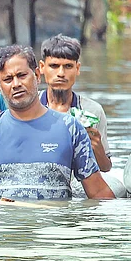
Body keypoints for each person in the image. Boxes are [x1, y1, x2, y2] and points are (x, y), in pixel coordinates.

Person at [0, 45, 114, 200]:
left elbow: (99, 192)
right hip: (1, 228)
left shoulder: (70, 128)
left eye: (22, 75)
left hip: (54, 228)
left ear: (36, 75)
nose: (16, 84)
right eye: (8, 79)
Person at [39, 34, 112, 172]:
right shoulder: (30, 106)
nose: (61, 73)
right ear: (42, 67)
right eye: (54, 66)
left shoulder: (92, 111)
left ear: (77, 69)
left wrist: (96, 147)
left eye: (68, 66)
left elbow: (106, 168)